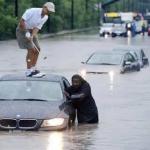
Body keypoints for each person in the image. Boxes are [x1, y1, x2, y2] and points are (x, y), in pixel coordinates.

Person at [16, 2, 55, 77]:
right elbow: (22, 22)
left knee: (38, 49)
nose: (49, 12)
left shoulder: (45, 17)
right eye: (48, 10)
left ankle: (33, 69)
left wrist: (32, 36)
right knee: (31, 49)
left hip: (31, 30)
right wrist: (26, 33)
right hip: (22, 30)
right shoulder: (32, 11)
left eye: (50, 11)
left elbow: (37, 28)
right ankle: (28, 71)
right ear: (44, 7)